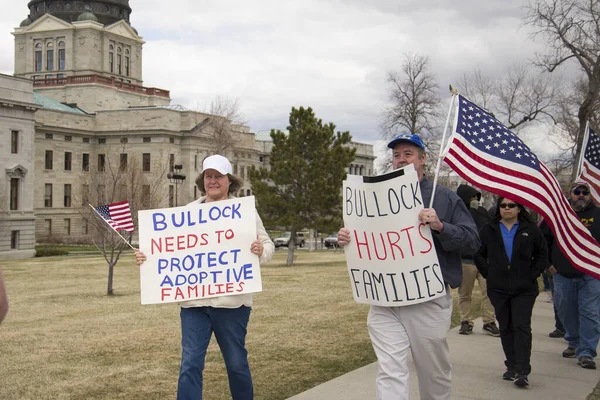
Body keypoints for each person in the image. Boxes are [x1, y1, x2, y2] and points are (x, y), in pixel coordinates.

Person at [338, 133, 480, 400]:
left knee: (433, 372)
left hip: (426, 298)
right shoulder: (372, 196)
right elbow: (367, 237)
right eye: (396, 155)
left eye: (408, 154)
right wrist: (347, 238)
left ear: (423, 159)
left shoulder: (445, 198)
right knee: (390, 370)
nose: (401, 160)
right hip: (384, 299)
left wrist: (440, 226)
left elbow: (472, 241)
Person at [135, 154, 275, 400]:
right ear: (203, 180)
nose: (213, 181)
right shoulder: (188, 213)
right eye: (208, 176)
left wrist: (261, 251)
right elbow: (168, 250)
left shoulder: (243, 211)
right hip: (194, 306)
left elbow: (267, 244)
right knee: (190, 364)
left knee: (236, 364)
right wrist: (146, 259)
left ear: (229, 181)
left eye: (218, 176)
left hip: (232, 304)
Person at [474, 197, 549, 388]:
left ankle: (523, 370)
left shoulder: (530, 229)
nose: (506, 209)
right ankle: (512, 365)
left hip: (524, 289)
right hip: (498, 288)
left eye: (511, 205)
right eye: (503, 205)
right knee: (506, 327)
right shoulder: (488, 229)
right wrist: (489, 273)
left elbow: (542, 255)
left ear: (519, 208)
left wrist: (532, 274)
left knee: (521, 326)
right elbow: (478, 253)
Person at [541, 181, 600, 370]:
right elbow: (542, 241)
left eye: (585, 192)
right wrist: (548, 264)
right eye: (577, 191)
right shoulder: (557, 215)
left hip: (591, 275)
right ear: (570, 194)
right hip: (562, 274)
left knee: (590, 312)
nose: (581, 195)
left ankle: (586, 352)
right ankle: (573, 342)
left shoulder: (598, 215)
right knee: (565, 310)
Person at [456, 184, 500, 337]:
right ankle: (466, 321)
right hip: (466, 260)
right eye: (472, 198)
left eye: (477, 198)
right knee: (465, 294)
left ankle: (489, 321)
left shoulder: (482, 213)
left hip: (484, 260)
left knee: (489, 292)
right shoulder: (459, 214)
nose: (475, 200)